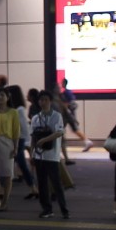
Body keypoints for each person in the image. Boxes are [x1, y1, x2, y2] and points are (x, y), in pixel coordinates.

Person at [29, 92, 70, 220]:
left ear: (50, 101)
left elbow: (59, 133)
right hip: (39, 155)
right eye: (41, 100)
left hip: (52, 156)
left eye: (46, 100)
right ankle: (47, 209)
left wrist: (44, 140)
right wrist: (31, 153)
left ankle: (64, 210)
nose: (43, 102)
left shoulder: (57, 116)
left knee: (56, 183)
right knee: (42, 184)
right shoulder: (35, 118)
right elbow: (33, 137)